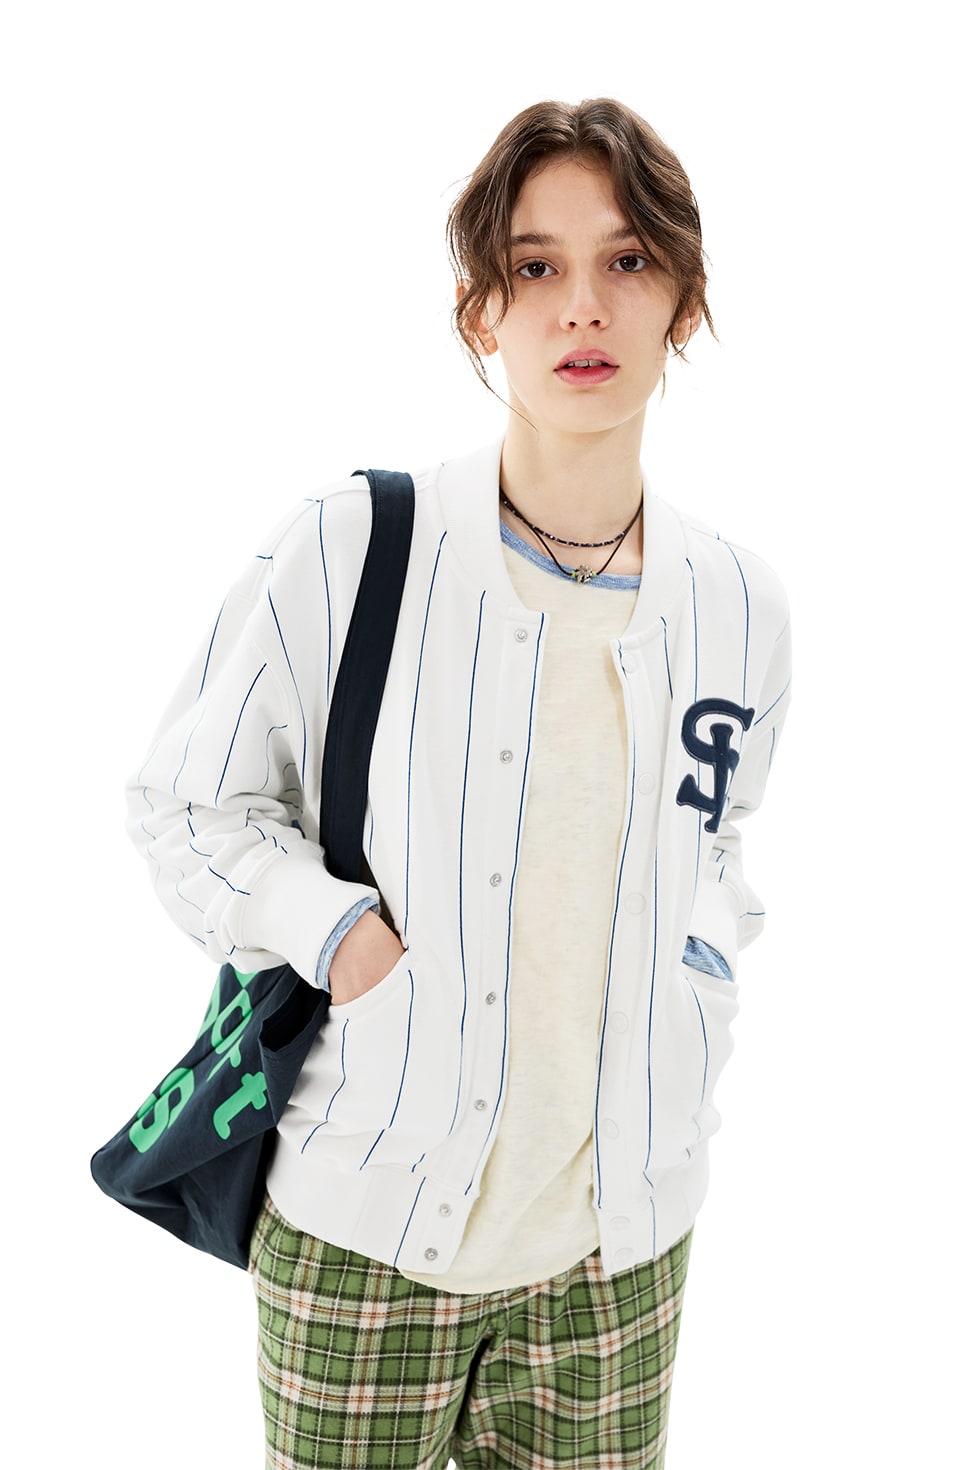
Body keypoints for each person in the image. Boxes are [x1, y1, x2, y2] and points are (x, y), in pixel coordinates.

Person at [127, 97, 791, 1470]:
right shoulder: (350, 546)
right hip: (363, 1231)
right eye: (536, 266)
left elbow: (719, 841)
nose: (583, 305)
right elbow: (186, 804)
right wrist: (338, 936)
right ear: (480, 311)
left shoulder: (739, 602)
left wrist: (700, 974)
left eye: (627, 260)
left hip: (622, 1255)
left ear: (685, 300)